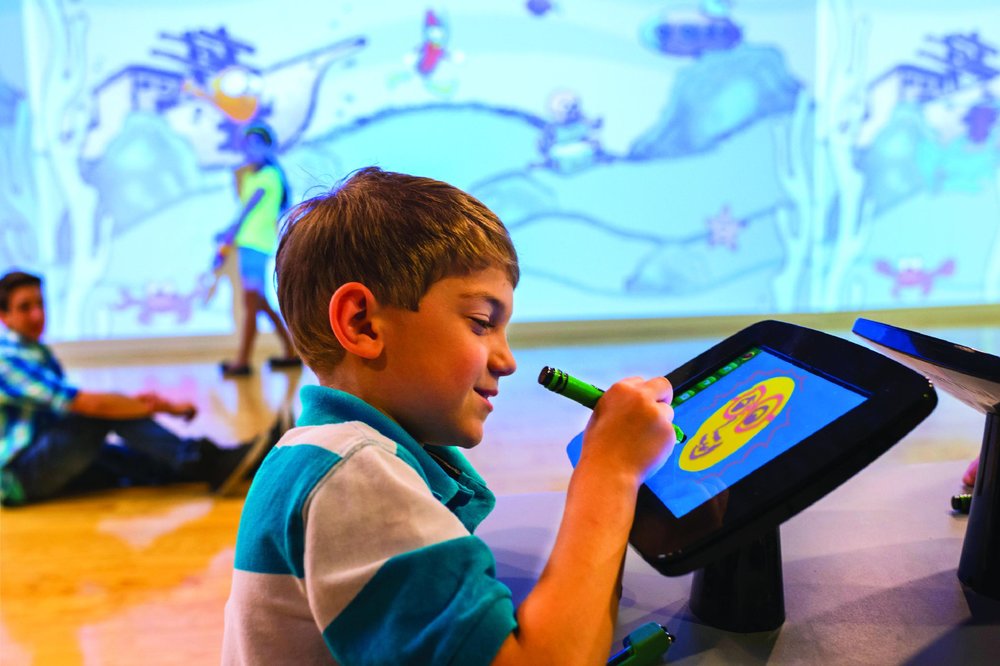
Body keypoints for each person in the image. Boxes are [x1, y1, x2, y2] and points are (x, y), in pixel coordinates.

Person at [223, 167, 677, 665]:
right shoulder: (351, 473)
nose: (506, 360)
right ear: (362, 323)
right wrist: (610, 471)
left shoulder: (325, 456)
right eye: (482, 323)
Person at [0, 271, 259, 506]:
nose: (37, 315)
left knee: (143, 463)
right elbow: (91, 406)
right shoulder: (7, 359)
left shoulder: (33, 352)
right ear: (4, 316)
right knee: (101, 414)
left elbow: (74, 409)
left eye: (40, 304)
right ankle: (208, 462)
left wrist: (139, 405)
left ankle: (245, 466)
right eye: (25, 308)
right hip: (21, 478)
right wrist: (165, 408)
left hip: (38, 459)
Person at [216, 121, 299, 378]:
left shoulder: (269, 176)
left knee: (252, 303)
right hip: (250, 243)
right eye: (247, 145)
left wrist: (230, 232)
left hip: (255, 243)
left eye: (255, 144)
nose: (250, 150)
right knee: (256, 302)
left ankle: (243, 361)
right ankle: (290, 350)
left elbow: (248, 209)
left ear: (268, 147)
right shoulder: (254, 174)